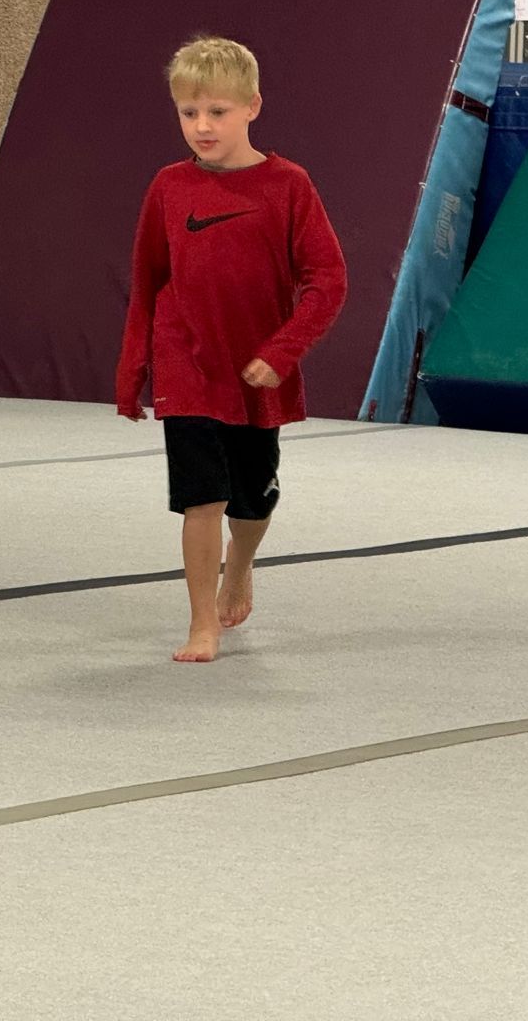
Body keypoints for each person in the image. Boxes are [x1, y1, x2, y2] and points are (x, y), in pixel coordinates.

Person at [115, 37, 348, 662]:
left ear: (252, 107)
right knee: (201, 498)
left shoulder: (289, 185)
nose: (202, 126)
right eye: (189, 113)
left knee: (251, 500)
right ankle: (201, 624)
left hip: (255, 372)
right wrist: (131, 370)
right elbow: (146, 284)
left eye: (217, 111)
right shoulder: (168, 187)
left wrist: (282, 350)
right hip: (185, 364)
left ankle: (240, 564)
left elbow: (328, 282)